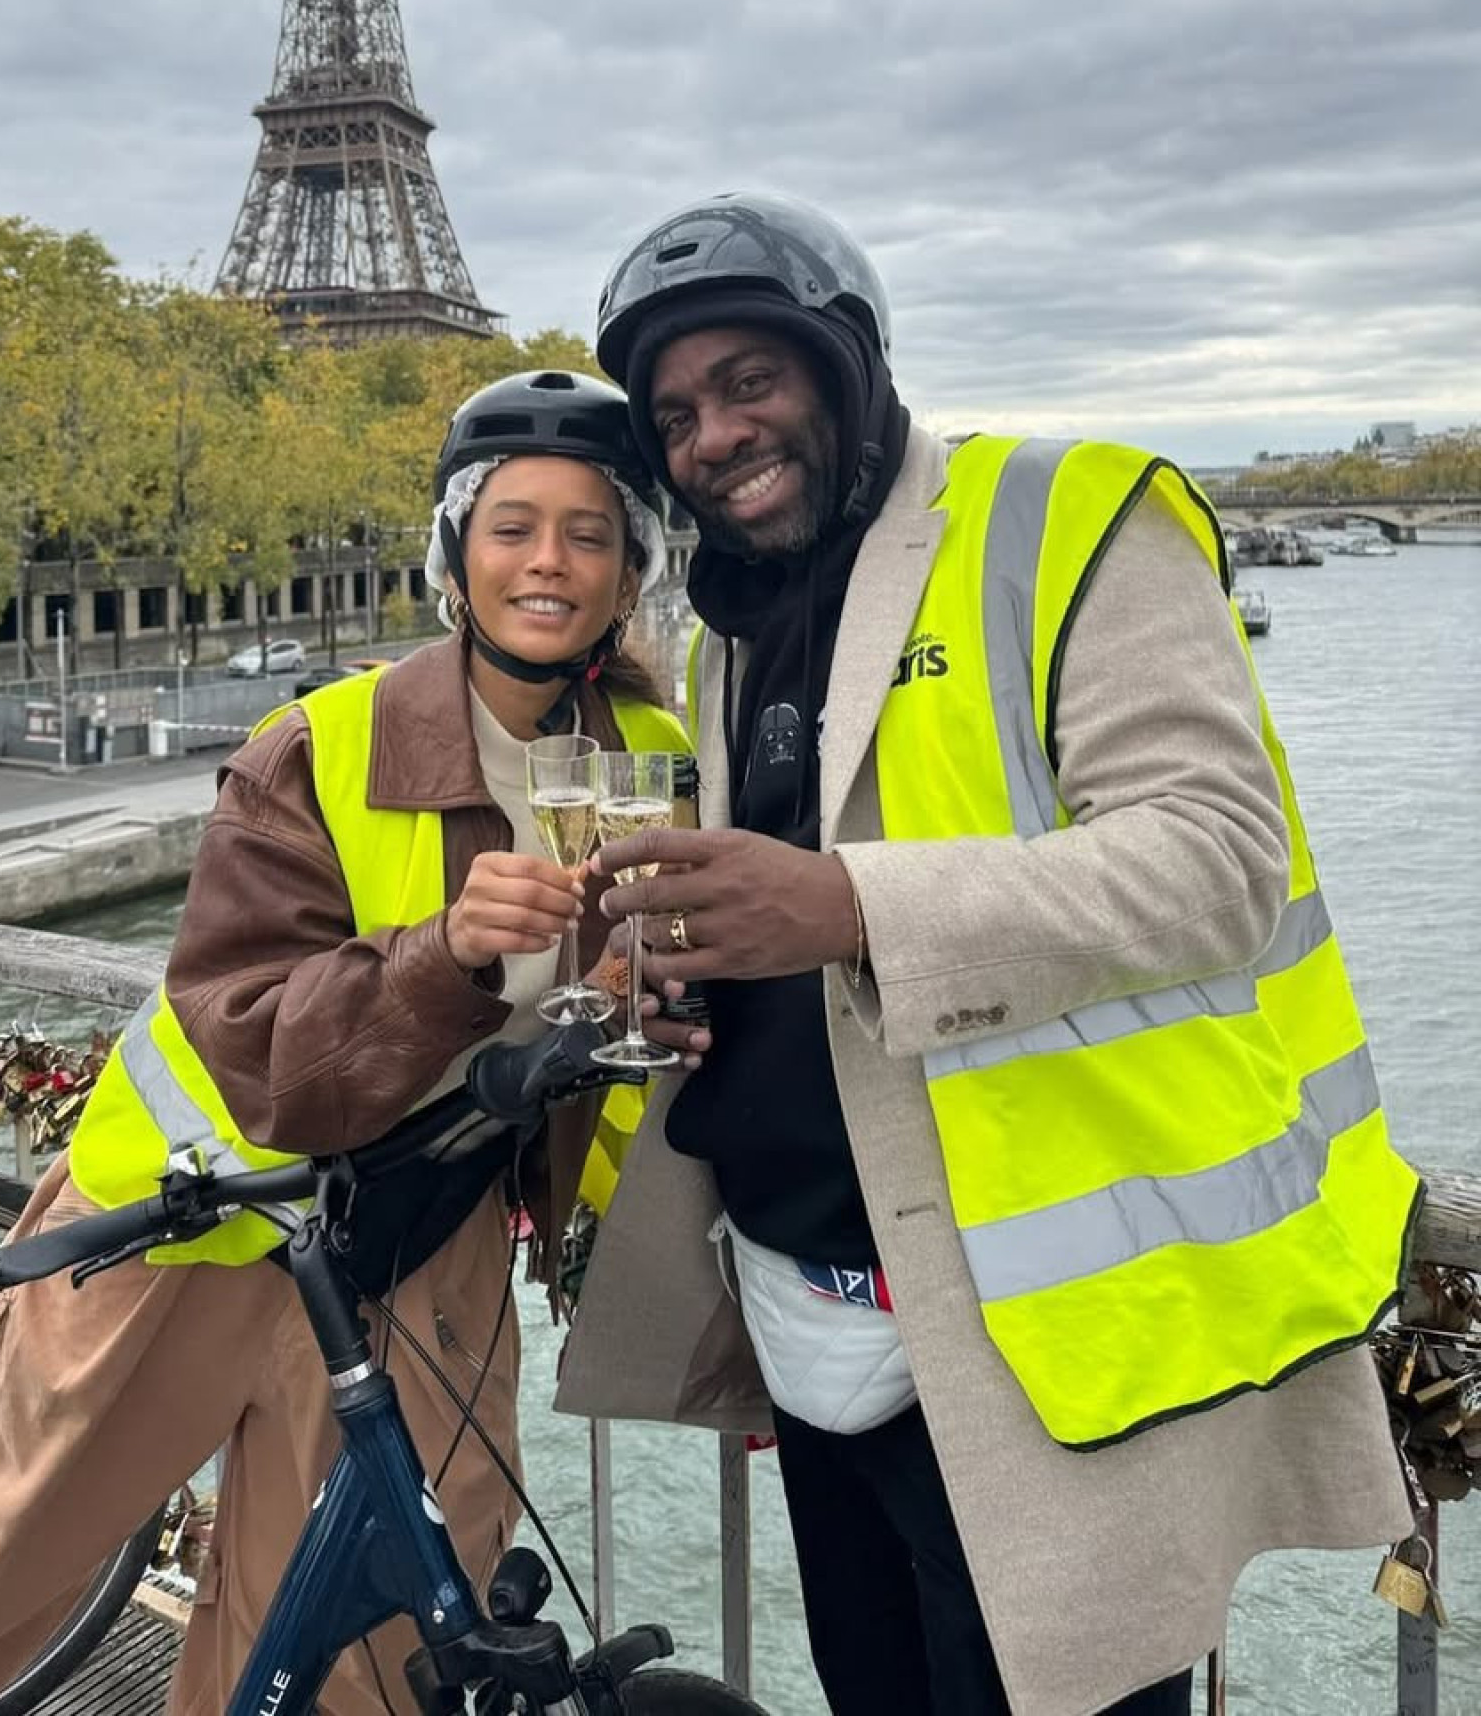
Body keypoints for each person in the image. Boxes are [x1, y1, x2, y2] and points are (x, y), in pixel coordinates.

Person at [555, 191, 1417, 1716]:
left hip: (1035, 1342)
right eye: (676, 412)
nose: (711, 435)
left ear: (845, 363)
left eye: (750, 381)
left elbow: (1221, 862)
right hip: (812, 1312)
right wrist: (707, 983)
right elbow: (788, 913)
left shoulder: (1065, 514)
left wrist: (852, 907)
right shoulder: (727, 632)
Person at [0, 368, 689, 1716]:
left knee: (372, 1651)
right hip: (193, 1223)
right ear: (454, 552)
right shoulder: (318, 745)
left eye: (591, 533)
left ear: (631, 568)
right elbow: (241, 1029)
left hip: (422, 1238)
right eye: (513, 525)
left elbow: (632, 1003)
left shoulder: (647, 755)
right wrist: (447, 957)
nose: (550, 561)